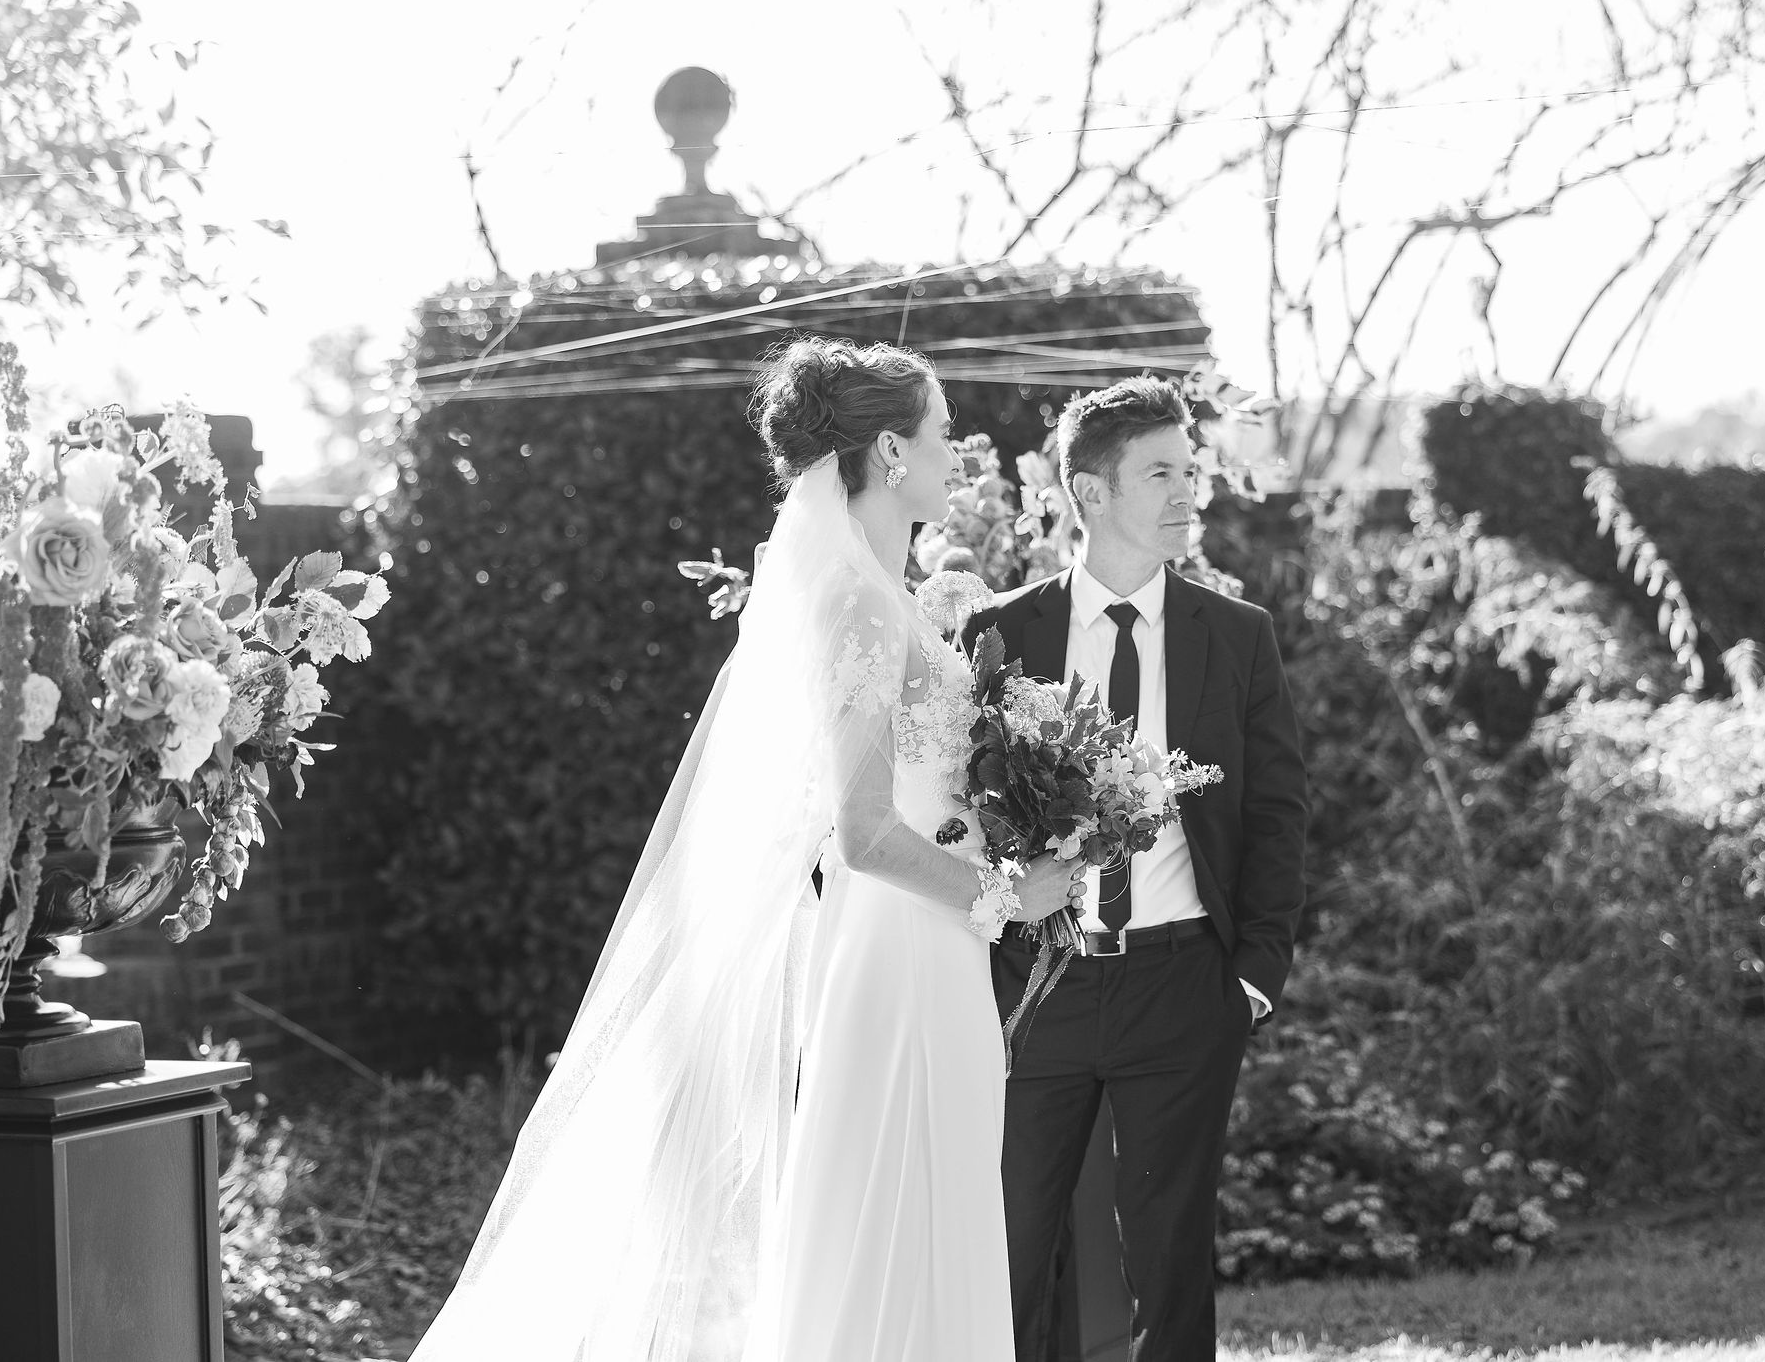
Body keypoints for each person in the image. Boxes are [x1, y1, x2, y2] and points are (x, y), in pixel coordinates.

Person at [409, 336, 1081, 1362]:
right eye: (941, 435)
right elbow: (860, 834)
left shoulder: (881, 592)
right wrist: (1004, 894)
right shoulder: (858, 602)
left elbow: (918, 788)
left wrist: (1019, 819)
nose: (953, 455)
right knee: (892, 1206)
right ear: (891, 456)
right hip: (899, 952)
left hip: (924, 947)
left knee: (922, 1203)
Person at [963, 376, 1309, 1362]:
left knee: (1167, 1260)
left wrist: (1250, 975)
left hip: (1181, 986)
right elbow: (956, 806)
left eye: (1190, 471)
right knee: (1013, 1248)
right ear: (1087, 491)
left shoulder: (1237, 638)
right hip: (1036, 984)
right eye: (1159, 472)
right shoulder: (998, 633)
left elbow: (1279, 812)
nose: (1185, 492)